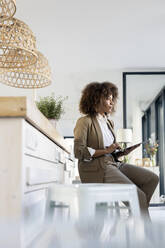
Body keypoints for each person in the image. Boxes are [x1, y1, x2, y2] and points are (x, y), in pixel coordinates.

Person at [74, 81, 159, 220]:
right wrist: (107, 149)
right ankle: (143, 231)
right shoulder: (84, 121)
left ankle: (135, 213)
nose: (111, 102)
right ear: (96, 99)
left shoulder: (108, 122)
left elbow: (109, 152)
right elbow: (79, 151)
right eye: (108, 98)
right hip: (97, 167)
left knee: (152, 179)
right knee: (138, 196)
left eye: (112, 99)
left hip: (113, 163)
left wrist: (120, 152)